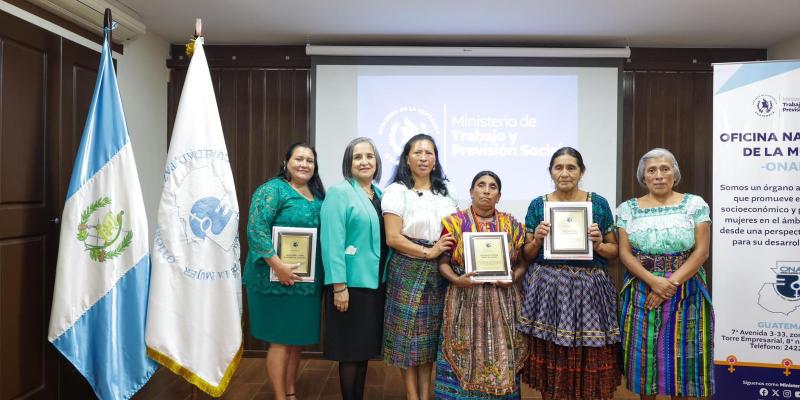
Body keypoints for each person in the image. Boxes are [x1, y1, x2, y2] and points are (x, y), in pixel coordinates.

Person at [518, 147, 621, 400]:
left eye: (571, 167)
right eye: (558, 167)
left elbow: (614, 250)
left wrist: (598, 244)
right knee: (552, 353)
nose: (564, 173)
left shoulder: (598, 203)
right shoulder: (538, 205)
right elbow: (527, 255)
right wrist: (537, 240)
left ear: (581, 171)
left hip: (590, 288)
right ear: (551, 172)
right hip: (548, 288)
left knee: (590, 352)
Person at [617, 148, 714, 399]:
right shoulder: (627, 209)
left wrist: (669, 285)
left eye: (665, 169)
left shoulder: (694, 204)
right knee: (643, 358)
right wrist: (653, 281)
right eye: (652, 170)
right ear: (644, 177)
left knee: (684, 360)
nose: (659, 175)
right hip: (641, 289)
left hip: (687, 289)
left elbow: (702, 251)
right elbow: (625, 254)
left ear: (675, 174)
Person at [434, 171, 528, 399]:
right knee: (462, 351)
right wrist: (457, 280)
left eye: (492, 187)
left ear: (499, 195)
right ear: (471, 191)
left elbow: (523, 263)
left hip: (503, 299)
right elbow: (443, 263)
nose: (486, 191)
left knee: (504, 355)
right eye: (481, 185)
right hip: (464, 298)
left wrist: (513, 277)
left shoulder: (512, 224)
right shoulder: (453, 223)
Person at [243, 142, 325, 400]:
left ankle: (291, 393)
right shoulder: (272, 190)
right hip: (273, 279)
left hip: (305, 281)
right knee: (280, 341)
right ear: (286, 162)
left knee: (295, 341)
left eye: (309, 160)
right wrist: (278, 267)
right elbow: (256, 229)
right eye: (299, 159)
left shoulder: (317, 195)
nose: (304, 164)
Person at [381, 133, 457, 400]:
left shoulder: (447, 192)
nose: (423, 158)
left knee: (429, 340)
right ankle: (412, 396)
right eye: (417, 152)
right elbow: (393, 238)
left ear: (435, 160)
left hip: (440, 270)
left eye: (429, 153)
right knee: (406, 339)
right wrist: (428, 252)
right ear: (407, 159)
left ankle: (425, 396)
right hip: (407, 268)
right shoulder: (396, 191)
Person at [320, 138, 387, 400]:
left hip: (375, 285)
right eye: (357, 157)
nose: (364, 161)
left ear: (376, 162)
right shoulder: (339, 193)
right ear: (348, 163)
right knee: (349, 353)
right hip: (349, 287)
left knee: (363, 351)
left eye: (369, 156)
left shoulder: (380, 195)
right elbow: (331, 242)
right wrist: (339, 286)